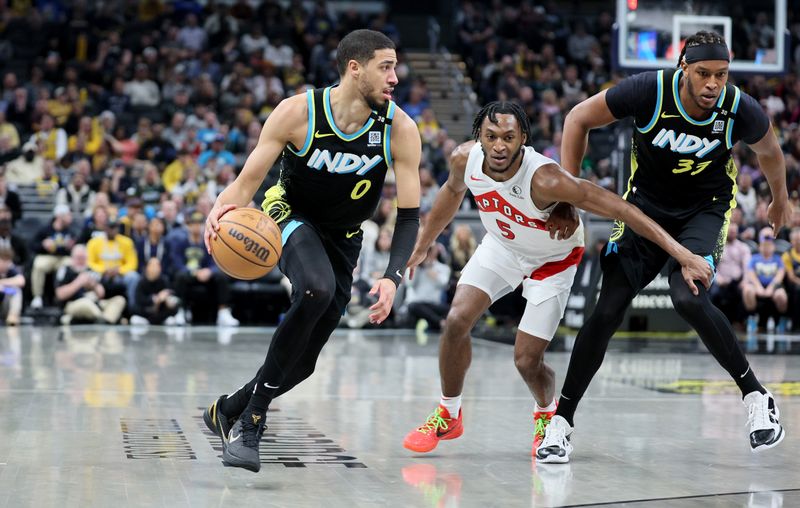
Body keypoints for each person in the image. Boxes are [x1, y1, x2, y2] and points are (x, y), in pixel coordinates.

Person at [537, 31, 790, 464]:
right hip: (644, 212)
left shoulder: (737, 107)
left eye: (722, 75)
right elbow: (578, 118)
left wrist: (780, 199)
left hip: (704, 211)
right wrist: (567, 193)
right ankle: (561, 421)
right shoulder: (648, 91)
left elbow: (769, 152)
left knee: (687, 296)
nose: (714, 84)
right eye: (704, 73)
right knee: (607, 309)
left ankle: (756, 396)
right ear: (683, 70)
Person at [402, 101, 711, 455]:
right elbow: (451, 193)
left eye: (508, 137)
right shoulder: (463, 159)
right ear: (479, 137)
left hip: (553, 260)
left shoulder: (546, 178)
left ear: (523, 139)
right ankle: (449, 413)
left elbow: (624, 209)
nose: (499, 145)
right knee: (456, 320)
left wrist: (683, 255)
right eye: (490, 137)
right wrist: (423, 244)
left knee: (526, 361)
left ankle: (546, 413)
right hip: (502, 248)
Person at [201, 29, 422, 472]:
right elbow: (247, 183)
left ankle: (228, 409)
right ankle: (251, 424)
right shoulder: (297, 112)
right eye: (386, 66)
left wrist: (392, 276)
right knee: (315, 290)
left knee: (302, 366)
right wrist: (221, 209)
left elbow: (410, 215)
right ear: (354, 68)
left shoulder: (398, 128)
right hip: (287, 215)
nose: (395, 77)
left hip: (344, 237)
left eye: (395, 67)